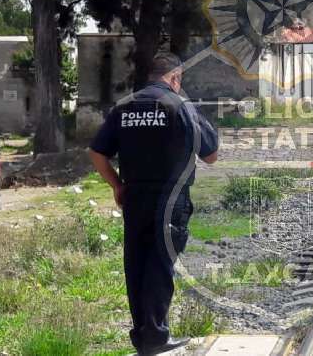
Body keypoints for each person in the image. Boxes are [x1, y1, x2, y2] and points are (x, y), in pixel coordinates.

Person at [88, 53, 218, 355]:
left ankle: (143, 336)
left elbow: (97, 152)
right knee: (160, 266)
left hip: (134, 198)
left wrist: (117, 186)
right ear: (175, 78)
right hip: (171, 200)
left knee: (137, 264)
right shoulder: (181, 106)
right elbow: (211, 155)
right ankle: (156, 337)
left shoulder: (125, 106)